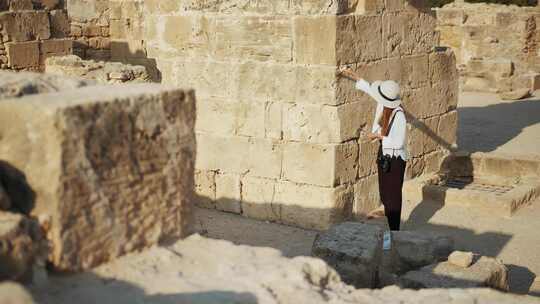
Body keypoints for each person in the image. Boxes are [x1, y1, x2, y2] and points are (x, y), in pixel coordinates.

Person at [340, 69, 408, 249]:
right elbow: (371, 90)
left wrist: (379, 137)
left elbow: (399, 142)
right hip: (384, 157)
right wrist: (356, 77)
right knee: (385, 196)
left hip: (394, 161)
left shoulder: (399, 115)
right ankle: (388, 239)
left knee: (393, 202)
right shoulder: (385, 104)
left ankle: (393, 239)